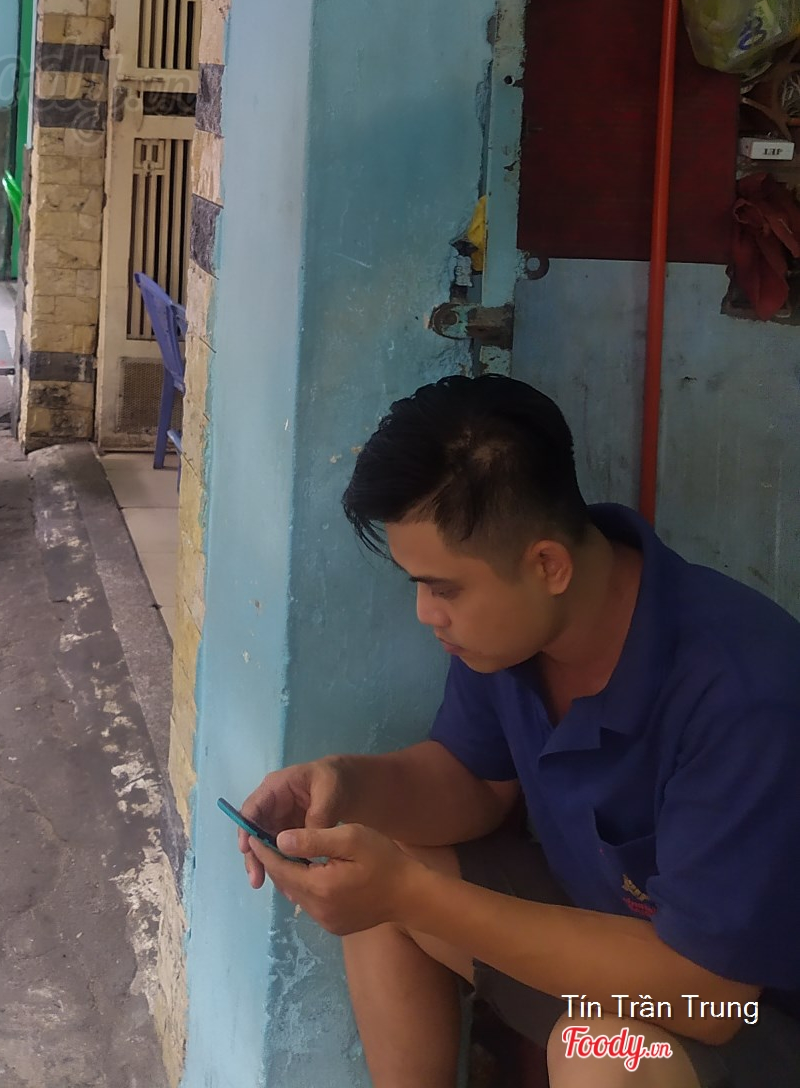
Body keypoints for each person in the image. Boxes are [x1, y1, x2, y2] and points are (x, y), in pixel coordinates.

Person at [237, 376, 800, 1087]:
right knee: (371, 863)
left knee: (600, 1056)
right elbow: (472, 783)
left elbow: (707, 995)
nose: (426, 613)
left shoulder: (746, 693)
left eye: (444, 587)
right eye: (418, 584)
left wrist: (411, 894)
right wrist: (347, 786)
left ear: (547, 565)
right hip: (608, 949)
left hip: (747, 1016)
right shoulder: (509, 635)